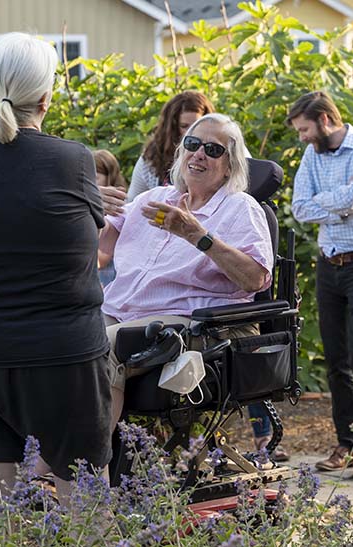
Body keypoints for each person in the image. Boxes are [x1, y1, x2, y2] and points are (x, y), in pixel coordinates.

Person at [0, 33, 111, 530]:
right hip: (64, 354)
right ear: (47, 98)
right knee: (86, 512)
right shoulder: (74, 158)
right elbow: (86, 248)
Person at [97, 113, 274, 436]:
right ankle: (56, 463)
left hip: (188, 322)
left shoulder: (241, 208)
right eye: (192, 144)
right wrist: (89, 209)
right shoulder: (152, 199)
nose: (199, 153)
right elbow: (101, 243)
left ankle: (77, 471)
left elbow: (255, 279)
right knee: (59, 341)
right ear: (181, 152)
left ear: (230, 166)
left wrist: (197, 235)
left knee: (99, 347)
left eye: (213, 149)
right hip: (118, 310)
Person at [288, 90, 353, 479]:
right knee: (336, 361)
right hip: (328, 263)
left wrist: (328, 202)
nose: (302, 138)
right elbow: (300, 207)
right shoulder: (312, 155)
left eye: (304, 129)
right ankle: (347, 443)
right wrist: (338, 203)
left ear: (325, 120)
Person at [128, 91, 215, 201]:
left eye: (196, 126)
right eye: (184, 126)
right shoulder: (151, 159)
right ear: (172, 128)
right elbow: (131, 203)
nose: (191, 132)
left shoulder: (221, 154)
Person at [93, 149, 128, 287]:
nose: (89, 182)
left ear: (110, 177)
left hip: (107, 281)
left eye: (95, 177)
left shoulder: (118, 208)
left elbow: (102, 260)